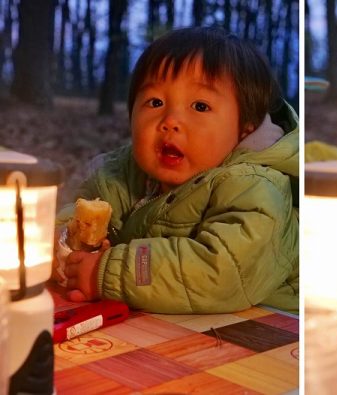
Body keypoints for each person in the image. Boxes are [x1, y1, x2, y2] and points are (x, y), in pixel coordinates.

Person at [54, 26, 299, 315]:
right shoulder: (121, 173)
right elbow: (82, 209)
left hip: (269, 330)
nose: (171, 121)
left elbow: (220, 272)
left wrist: (105, 273)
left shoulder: (255, 187)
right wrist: (60, 244)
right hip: (171, 324)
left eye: (200, 106)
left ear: (246, 125)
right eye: (155, 102)